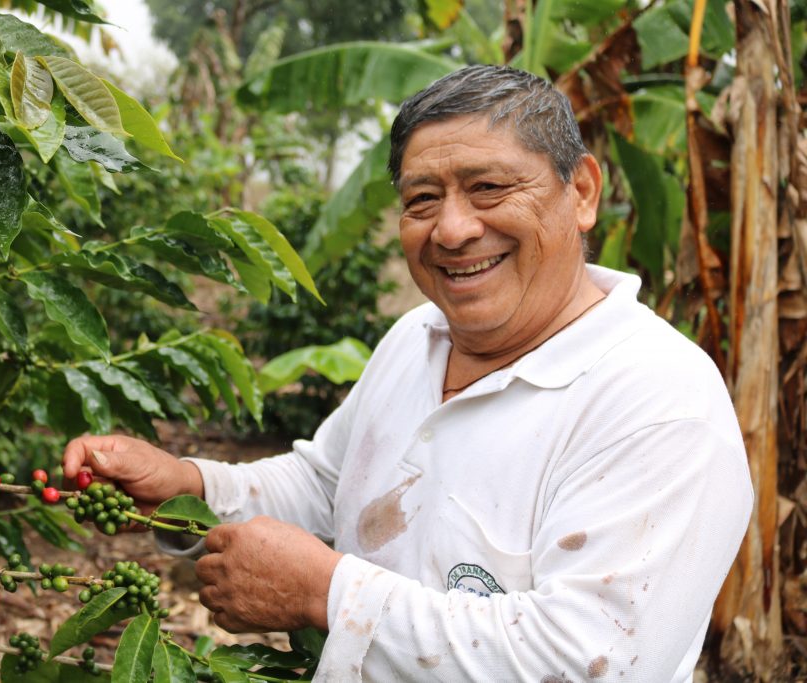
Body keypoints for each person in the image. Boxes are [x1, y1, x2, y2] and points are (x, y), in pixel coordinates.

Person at [62, 65, 753, 682]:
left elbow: (590, 662)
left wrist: (327, 594)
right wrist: (190, 485)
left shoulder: (659, 401)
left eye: (489, 187)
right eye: (423, 199)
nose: (451, 230)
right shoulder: (415, 338)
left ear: (581, 191)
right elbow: (328, 483)